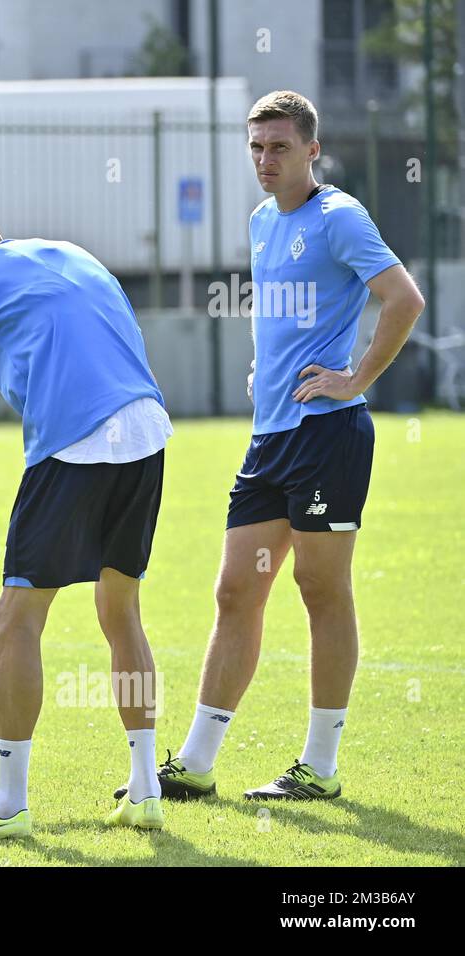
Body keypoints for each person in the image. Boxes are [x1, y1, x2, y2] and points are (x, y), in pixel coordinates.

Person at [129, 91, 423, 803]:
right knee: (235, 590)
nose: (265, 160)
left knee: (319, 589)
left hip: (329, 434)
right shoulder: (263, 220)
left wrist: (354, 378)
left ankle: (319, 766)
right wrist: (271, 368)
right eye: (256, 146)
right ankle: (196, 764)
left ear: (311, 150)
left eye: (280, 147)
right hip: (271, 438)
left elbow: (403, 298)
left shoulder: (339, 217)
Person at [0, 220, 173, 835]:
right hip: (149, 428)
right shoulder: (72, 250)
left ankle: (9, 805)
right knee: (121, 611)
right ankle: (147, 789)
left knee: (15, 619)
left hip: (73, 441)